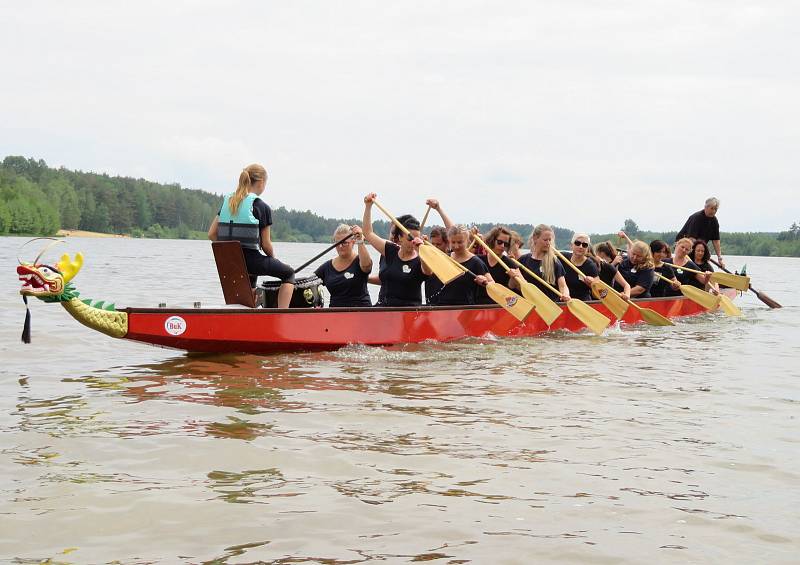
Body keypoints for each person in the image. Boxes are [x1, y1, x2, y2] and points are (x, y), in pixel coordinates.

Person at [207, 164, 295, 309]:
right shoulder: (261, 206)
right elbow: (266, 245)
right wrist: (273, 259)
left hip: (230, 262)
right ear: (261, 182)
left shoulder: (228, 202)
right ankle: (282, 315)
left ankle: (250, 313)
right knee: (288, 274)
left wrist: (230, 250)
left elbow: (211, 234)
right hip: (251, 261)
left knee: (251, 276)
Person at [362, 193, 427, 307]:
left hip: (409, 313)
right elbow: (368, 233)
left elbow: (428, 272)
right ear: (400, 238)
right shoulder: (390, 250)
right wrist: (368, 206)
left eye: (417, 238)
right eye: (410, 238)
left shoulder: (421, 258)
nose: (414, 242)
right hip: (384, 309)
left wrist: (423, 252)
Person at [429, 225, 490, 305]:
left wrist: (485, 281)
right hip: (442, 308)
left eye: (460, 242)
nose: (456, 246)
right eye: (453, 242)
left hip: (465, 309)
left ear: (467, 241)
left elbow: (492, 283)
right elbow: (427, 272)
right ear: (449, 241)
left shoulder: (476, 262)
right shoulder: (445, 258)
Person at [314, 224, 372, 307]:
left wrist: (360, 240)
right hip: (335, 314)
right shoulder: (327, 267)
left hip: (360, 312)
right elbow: (310, 283)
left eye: (344, 243)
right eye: (337, 243)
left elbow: (367, 267)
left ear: (353, 242)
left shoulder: (360, 261)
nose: (340, 246)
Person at [517, 224, 570, 301]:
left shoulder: (554, 262)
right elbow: (514, 286)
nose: (548, 243)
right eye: (545, 240)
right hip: (530, 304)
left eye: (549, 240)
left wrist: (566, 294)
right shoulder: (523, 260)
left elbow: (563, 286)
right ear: (535, 238)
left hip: (550, 306)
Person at [676, 197, 725, 268]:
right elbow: (691, 239)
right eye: (712, 208)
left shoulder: (714, 221)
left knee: (706, 266)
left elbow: (716, 240)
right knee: (695, 266)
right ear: (706, 207)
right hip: (683, 246)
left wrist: (719, 258)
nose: (714, 211)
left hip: (698, 247)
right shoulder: (697, 218)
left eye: (716, 209)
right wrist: (702, 252)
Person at [560, 233, 600, 301]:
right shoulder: (562, 258)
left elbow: (599, 294)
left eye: (584, 245)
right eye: (577, 243)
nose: (581, 246)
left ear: (587, 248)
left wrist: (592, 284)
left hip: (583, 303)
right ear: (571, 245)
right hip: (563, 302)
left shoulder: (591, 266)